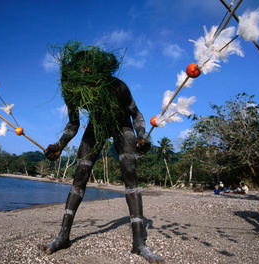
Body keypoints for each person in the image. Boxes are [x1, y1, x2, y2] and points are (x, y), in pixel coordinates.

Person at [42, 42, 164, 263]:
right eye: (81, 69)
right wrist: (60, 145)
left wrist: (142, 135)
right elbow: (73, 124)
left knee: (129, 172)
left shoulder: (117, 86)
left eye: (88, 68)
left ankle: (139, 243)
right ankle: (63, 236)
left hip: (122, 126)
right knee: (80, 175)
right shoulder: (74, 90)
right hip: (96, 127)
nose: (84, 71)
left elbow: (136, 114)